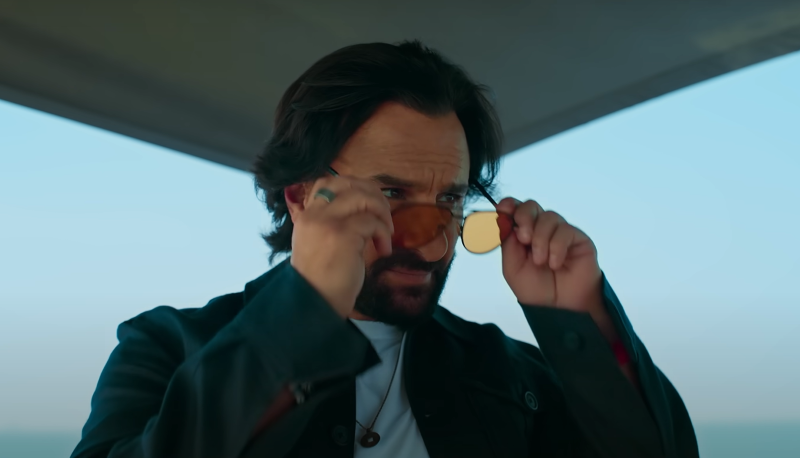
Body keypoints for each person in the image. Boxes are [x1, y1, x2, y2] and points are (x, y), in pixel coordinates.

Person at [72, 40, 698, 458]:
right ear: (301, 197)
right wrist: (300, 317)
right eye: (392, 195)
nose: (428, 238)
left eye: (450, 200)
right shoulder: (167, 346)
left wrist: (579, 321)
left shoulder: (506, 373)